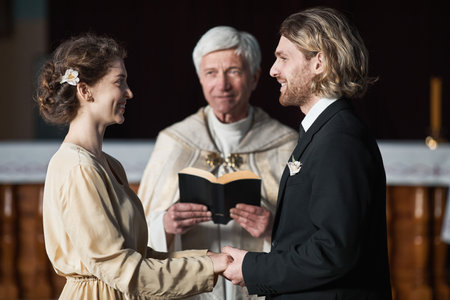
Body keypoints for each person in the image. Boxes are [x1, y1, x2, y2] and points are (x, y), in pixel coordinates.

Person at [36, 33, 231, 300]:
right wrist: (209, 267)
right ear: (85, 91)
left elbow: (137, 256)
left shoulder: (108, 164)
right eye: (119, 82)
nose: (129, 92)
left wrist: (210, 258)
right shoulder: (78, 167)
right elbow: (122, 269)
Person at [222, 7, 392, 299]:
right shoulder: (324, 132)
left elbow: (333, 251)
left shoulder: (339, 139)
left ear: (319, 63)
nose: (274, 70)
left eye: (284, 58)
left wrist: (253, 268)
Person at [137, 26, 297, 299]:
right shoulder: (174, 141)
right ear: (200, 79)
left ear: (255, 77)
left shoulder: (285, 143)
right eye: (211, 73)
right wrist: (165, 225)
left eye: (234, 71)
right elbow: (138, 230)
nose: (221, 85)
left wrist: (274, 229)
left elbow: (311, 236)